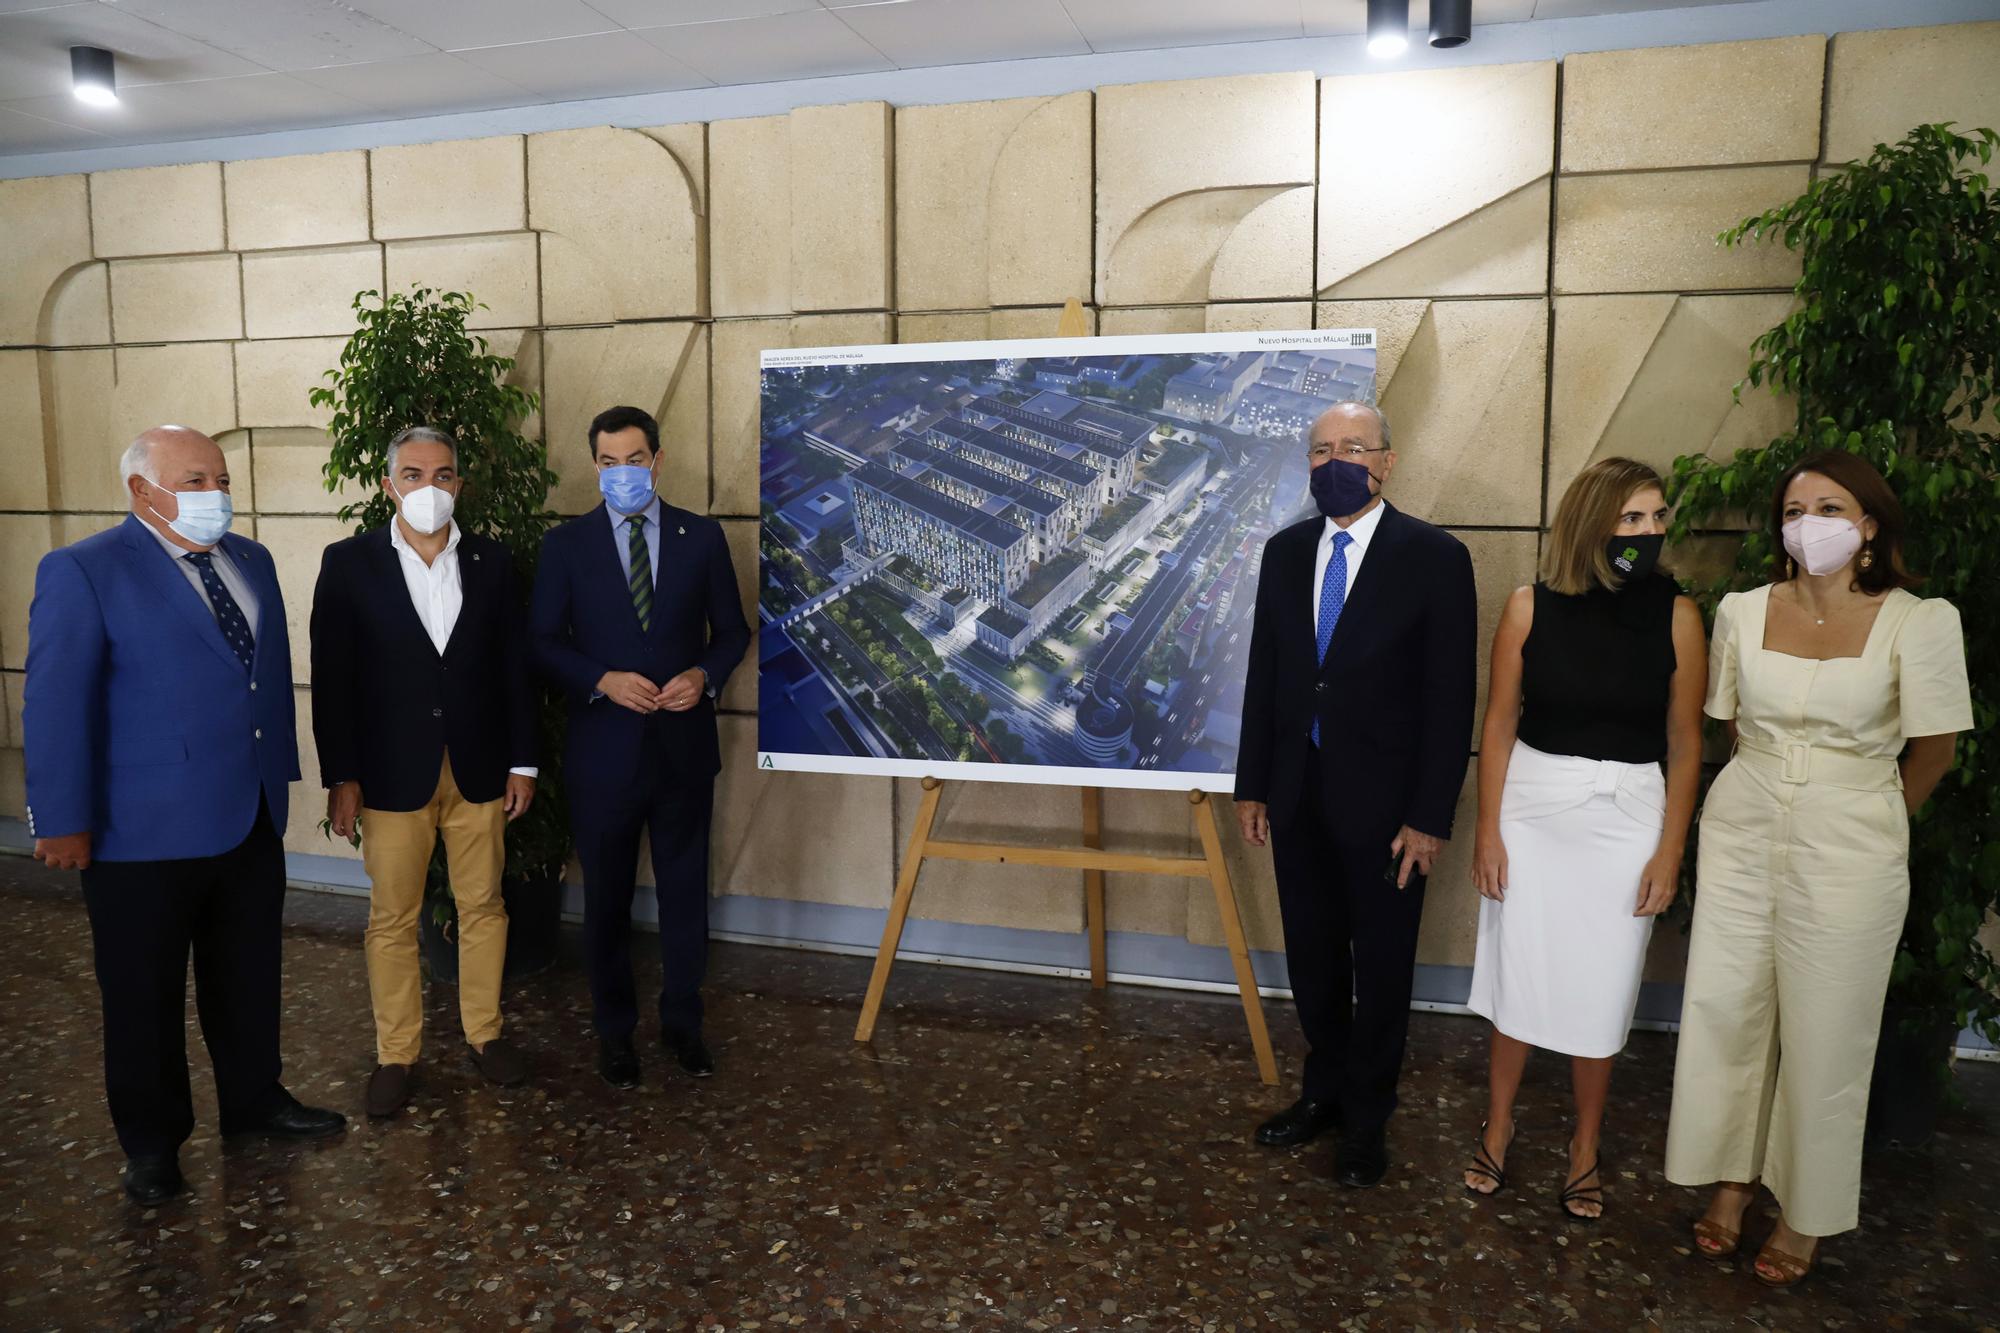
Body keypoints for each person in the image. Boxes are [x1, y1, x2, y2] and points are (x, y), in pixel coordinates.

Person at [1665, 451, 1971, 1287]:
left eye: (1830, 507)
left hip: (1854, 837)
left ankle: (1805, 1209)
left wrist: (1868, 821)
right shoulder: (1740, 609)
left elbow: (1935, 749)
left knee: (1827, 1025)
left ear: (1869, 524)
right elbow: (1727, 724)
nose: (1808, 524)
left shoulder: (1921, 618)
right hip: (1746, 821)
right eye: (1794, 509)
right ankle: (1730, 1183)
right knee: (1730, 1005)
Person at [22, 425, 346, 1206]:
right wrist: (57, 817)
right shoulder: (84, 570)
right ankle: (153, 1142)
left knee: (247, 975)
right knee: (143, 994)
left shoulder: (252, 561)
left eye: (222, 478)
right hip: (140, 830)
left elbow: (256, 683)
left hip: (249, 812)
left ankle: (254, 1099)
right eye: (195, 479)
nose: (216, 495)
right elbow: (55, 702)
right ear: (142, 490)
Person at [1234, 401, 1477, 1188]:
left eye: (1352, 447)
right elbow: (1267, 676)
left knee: (1381, 966)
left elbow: (1449, 700)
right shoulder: (1284, 551)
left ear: (1387, 459)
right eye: (1320, 449)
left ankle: (1368, 1120)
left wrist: (1429, 817)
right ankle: (1325, 1096)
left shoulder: (1434, 557)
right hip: (1297, 796)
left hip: (1388, 813)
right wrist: (1253, 786)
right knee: (1311, 961)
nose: (1334, 461)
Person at [1460, 458, 1706, 1220]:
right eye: (1632, 518)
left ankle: (1585, 1146)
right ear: (1593, 521)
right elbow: (1498, 722)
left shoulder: (1679, 615)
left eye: (1657, 517)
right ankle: (1497, 1129)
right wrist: (1488, 831)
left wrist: (1671, 848)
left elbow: (1687, 739)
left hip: (1630, 809)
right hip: (1533, 806)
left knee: (1602, 988)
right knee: (1519, 971)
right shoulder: (1530, 606)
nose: (1649, 532)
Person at [309, 426, 540, 1118]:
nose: (428, 488)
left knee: (485, 905)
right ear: (388, 485)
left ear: (459, 485)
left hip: (479, 767)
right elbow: (332, 678)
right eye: (413, 475)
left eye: (443, 475)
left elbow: (514, 670)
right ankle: (397, 1053)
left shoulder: (494, 562)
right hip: (388, 773)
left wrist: (523, 758)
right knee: (391, 917)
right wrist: (341, 773)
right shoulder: (349, 563)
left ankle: (485, 1034)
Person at [530, 405, 750, 1089]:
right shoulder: (566, 547)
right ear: (594, 466)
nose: (621, 472)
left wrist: (703, 676)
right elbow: (541, 641)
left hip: (683, 750)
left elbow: (733, 633)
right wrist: (601, 678)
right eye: (607, 461)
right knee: (606, 903)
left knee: (687, 896)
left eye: (634, 459)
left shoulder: (703, 537)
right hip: (604, 755)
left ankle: (684, 1023)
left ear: (657, 459)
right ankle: (614, 1032)